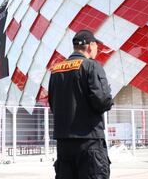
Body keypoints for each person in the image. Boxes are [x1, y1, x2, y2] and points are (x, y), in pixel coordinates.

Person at [48, 29, 114, 179]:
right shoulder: (91, 66)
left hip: (64, 143)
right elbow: (101, 101)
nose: (97, 49)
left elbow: (52, 103)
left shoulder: (56, 70)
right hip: (89, 142)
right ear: (90, 46)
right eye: (96, 45)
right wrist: (109, 98)